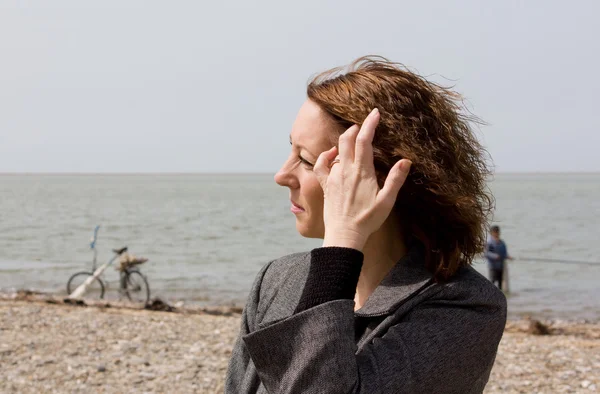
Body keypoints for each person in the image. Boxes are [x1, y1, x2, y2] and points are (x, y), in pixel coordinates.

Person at [225, 56, 507, 394]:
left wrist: (343, 237)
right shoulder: (278, 281)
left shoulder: (466, 307)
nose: (282, 175)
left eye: (305, 159)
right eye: (291, 150)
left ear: (379, 178)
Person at [485, 225, 513, 291]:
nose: (496, 233)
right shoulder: (490, 243)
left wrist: (508, 256)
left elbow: (504, 253)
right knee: (492, 282)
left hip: (501, 266)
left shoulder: (502, 243)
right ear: (491, 233)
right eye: (495, 232)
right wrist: (495, 256)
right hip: (492, 267)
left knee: (500, 284)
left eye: (497, 232)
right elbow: (487, 253)